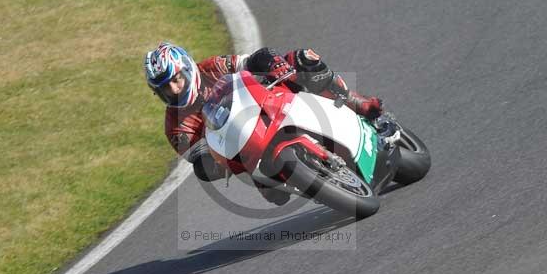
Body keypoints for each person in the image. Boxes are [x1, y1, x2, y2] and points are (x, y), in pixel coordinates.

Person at [143, 42, 383, 205]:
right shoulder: (176, 127)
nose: (174, 89)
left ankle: (355, 101)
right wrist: (214, 166)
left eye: (175, 80)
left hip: (265, 104)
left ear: (187, 69)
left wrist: (274, 64)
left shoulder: (211, 67)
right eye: (165, 88)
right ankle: (321, 184)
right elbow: (201, 164)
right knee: (275, 196)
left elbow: (254, 59)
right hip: (247, 150)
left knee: (303, 58)